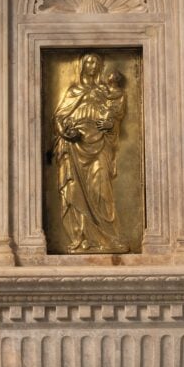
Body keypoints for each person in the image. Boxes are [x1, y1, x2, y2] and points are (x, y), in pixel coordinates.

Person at [53, 53, 127, 253]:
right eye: (88, 61)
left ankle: (109, 238)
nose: (92, 65)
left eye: (96, 61)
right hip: (75, 145)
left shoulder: (105, 91)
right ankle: (82, 238)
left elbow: (113, 116)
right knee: (74, 190)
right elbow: (59, 117)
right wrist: (65, 131)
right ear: (82, 65)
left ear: (101, 66)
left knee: (101, 190)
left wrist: (111, 124)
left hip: (99, 145)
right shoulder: (74, 91)